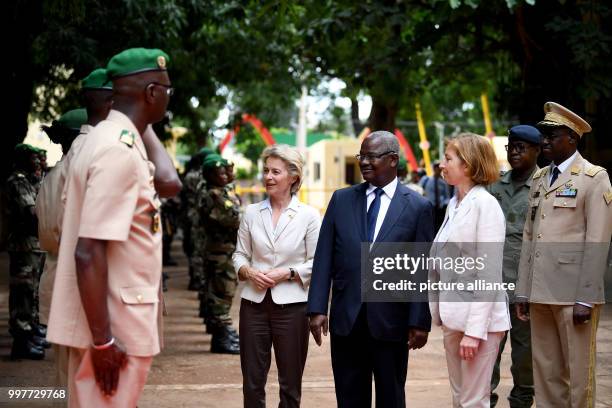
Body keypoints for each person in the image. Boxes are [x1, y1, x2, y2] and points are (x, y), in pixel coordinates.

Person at [46, 48, 181, 406]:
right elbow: (88, 250)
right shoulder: (117, 151)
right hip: (114, 327)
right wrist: (103, 341)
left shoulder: (107, 141)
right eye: (168, 90)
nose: (169, 97)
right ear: (152, 93)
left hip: (110, 321)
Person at [307, 131, 434, 408]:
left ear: (392, 160)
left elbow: (420, 270)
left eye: (371, 156)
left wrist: (419, 321)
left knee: (391, 397)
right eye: (361, 156)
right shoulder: (341, 200)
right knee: (350, 397)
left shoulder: (418, 207)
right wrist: (317, 308)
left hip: (392, 321)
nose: (364, 162)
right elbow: (324, 256)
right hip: (346, 320)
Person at [515, 102, 612, 408]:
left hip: (573, 296)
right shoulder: (541, 177)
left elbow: (598, 241)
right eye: (544, 136)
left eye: (552, 136)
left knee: (579, 373)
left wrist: (586, 298)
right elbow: (530, 236)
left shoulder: (593, 178)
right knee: (545, 372)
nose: (544, 142)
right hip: (540, 292)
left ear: (572, 138)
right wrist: (523, 291)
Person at [233, 144, 321, 407]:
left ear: (293, 177)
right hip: (253, 306)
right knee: (252, 382)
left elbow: (318, 261)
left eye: (275, 172)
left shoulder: (309, 216)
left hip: (293, 308)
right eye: (266, 171)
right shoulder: (251, 212)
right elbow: (239, 254)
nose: (268, 177)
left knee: (290, 384)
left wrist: (290, 272)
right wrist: (248, 271)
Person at [428, 132, 510, 408]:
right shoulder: (455, 204)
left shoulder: (486, 206)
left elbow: (488, 274)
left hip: (480, 323)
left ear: (468, 165)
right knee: (460, 397)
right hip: (454, 317)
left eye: (448, 158)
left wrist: (475, 332)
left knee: (474, 400)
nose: (442, 164)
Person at [488, 125, 540, 407]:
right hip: (493, 287)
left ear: (537, 150)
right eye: (511, 146)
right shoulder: (495, 185)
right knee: (487, 355)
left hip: (526, 290)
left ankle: (521, 402)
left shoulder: (545, 186)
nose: (515, 152)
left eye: (522, 147)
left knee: (524, 358)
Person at [6, 143, 46, 360]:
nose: (38, 162)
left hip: (33, 245)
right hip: (23, 246)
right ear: (23, 159)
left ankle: (29, 333)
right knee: (23, 293)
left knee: (31, 292)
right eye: (33, 158)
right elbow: (32, 212)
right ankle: (21, 342)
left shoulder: (29, 180)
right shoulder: (18, 181)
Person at [198, 154, 241, 354]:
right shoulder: (213, 195)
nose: (224, 176)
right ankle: (220, 339)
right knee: (221, 294)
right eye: (219, 173)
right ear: (209, 176)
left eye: (225, 172)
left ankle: (223, 333)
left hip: (224, 251)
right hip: (219, 253)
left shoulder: (220, 192)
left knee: (224, 292)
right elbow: (232, 220)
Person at [421, 161, 451, 231]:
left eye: (439, 168)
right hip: (430, 207)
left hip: (440, 209)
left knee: (439, 227)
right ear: (433, 169)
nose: (437, 170)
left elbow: (447, 196)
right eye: (436, 168)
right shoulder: (427, 180)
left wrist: (444, 204)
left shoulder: (444, 182)